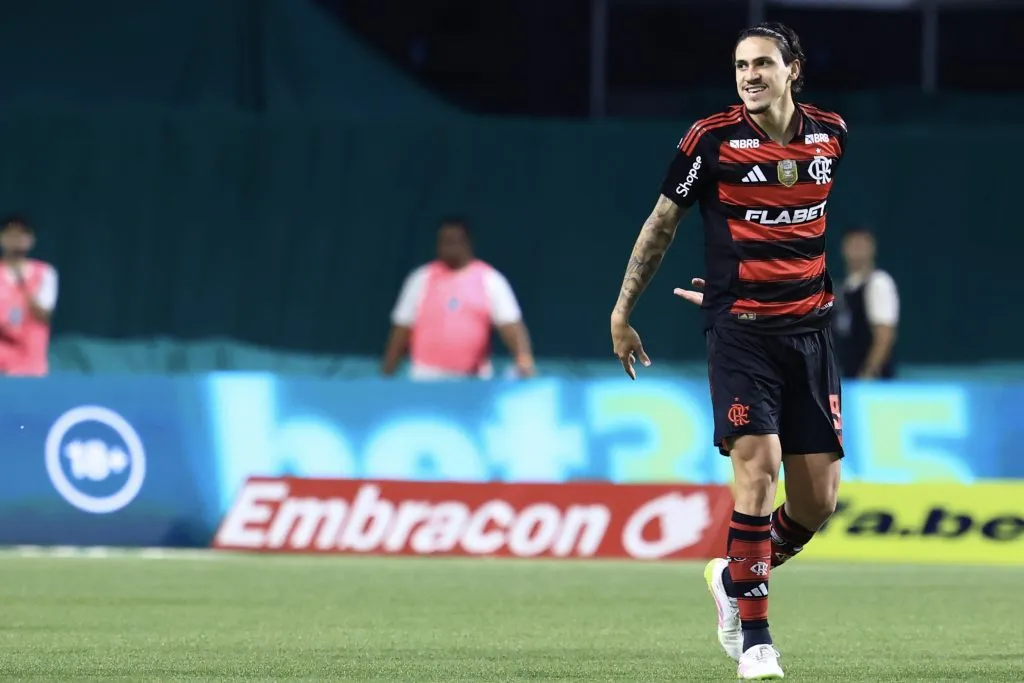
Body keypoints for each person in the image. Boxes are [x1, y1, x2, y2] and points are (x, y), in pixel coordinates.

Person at [609, 22, 846, 680]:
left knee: (817, 502)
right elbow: (662, 223)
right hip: (742, 334)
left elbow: (798, 230)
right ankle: (758, 640)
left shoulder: (832, 134)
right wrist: (623, 309)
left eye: (764, 63)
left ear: (793, 69)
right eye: (741, 65)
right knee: (757, 465)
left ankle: (730, 578)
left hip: (810, 334)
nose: (750, 75)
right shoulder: (709, 140)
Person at [382, 217, 535, 380]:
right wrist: (387, 373)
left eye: (454, 240)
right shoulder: (420, 279)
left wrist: (523, 359)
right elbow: (402, 329)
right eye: (444, 241)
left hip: (472, 381)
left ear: (468, 242)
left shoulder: (490, 280)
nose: (448, 246)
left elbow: (511, 326)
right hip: (425, 379)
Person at [833, 227, 899, 379]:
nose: (857, 250)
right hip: (848, 377)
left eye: (862, 244)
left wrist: (869, 374)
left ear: (872, 248)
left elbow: (884, 336)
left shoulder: (879, 283)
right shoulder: (845, 288)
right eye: (853, 244)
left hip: (871, 384)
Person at [0, 214, 59, 377]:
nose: (17, 239)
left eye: (23, 234)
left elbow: (44, 315)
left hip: (31, 365)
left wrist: (22, 285)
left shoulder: (46, 273)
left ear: (31, 240)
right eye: (11, 234)